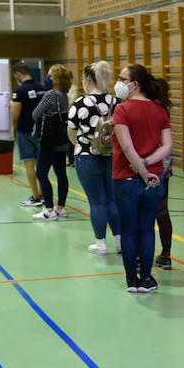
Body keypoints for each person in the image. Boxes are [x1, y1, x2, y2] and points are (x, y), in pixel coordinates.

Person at [111, 64, 172, 293]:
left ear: (134, 84)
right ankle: (146, 279)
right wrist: (147, 166)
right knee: (147, 229)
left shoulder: (122, 110)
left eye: (122, 78)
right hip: (154, 179)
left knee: (129, 231)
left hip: (125, 178)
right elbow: (167, 146)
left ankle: (131, 280)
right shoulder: (160, 111)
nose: (118, 82)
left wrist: (141, 169)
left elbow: (127, 147)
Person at [68, 60, 121, 252]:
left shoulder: (80, 103)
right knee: (112, 199)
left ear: (88, 79)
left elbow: (71, 131)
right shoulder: (115, 101)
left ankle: (100, 243)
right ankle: (119, 240)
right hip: (111, 157)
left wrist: (82, 146)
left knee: (97, 201)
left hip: (87, 157)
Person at [30, 64, 73, 219]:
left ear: (57, 79)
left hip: (48, 140)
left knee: (41, 173)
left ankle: (49, 209)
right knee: (61, 173)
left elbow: (35, 114)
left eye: (50, 76)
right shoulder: (63, 95)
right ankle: (61, 207)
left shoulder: (50, 95)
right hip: (62, 139)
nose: (47, 79)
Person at [10, 61, 46, 206]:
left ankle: (36, 196)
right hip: (42, 131)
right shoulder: (43, 88)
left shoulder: (19, 91)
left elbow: (15, 113)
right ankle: (44, 195)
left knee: (29, 163)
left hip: (25, 131)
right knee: (42, 165)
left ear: (18, 74)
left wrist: (12, 108)